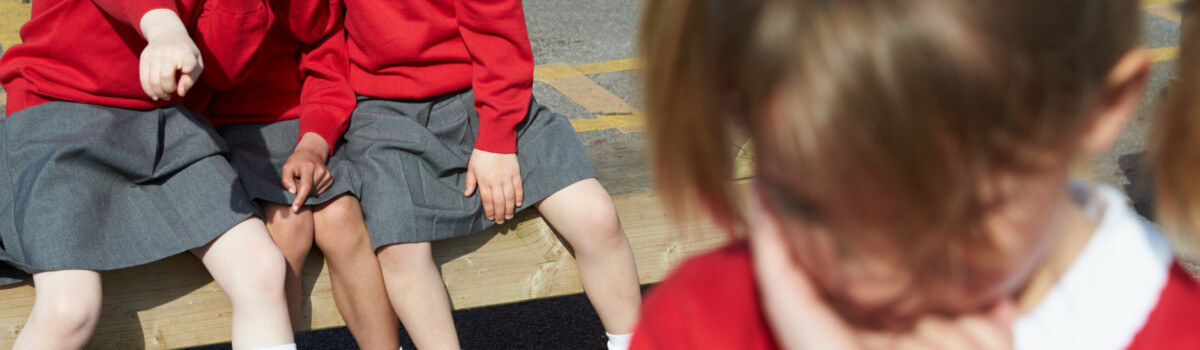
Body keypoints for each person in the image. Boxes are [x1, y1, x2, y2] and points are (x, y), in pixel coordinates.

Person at [631, 0, 1200, 348]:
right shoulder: (700, 317)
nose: (868, 281)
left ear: (1095, 111)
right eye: (809, 205)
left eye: (944, 217)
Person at [338, 0, 642, 348]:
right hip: (382, 110)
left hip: (485, 94)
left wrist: (497, 138)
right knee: (399, 248)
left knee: (595, 215)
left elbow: (499, 28)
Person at [0, 1, 296, 349]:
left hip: (165, 122)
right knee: (69, 309)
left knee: (261, 270)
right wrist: (164, 26)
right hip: (58, 111)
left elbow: (223, 70)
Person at [199, 0, 399, 348]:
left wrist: (313, 145)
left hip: (308, 126)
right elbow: (220, 68)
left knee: (341, 216)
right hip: (223, 128)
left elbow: (328, 67)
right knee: (288, 226)